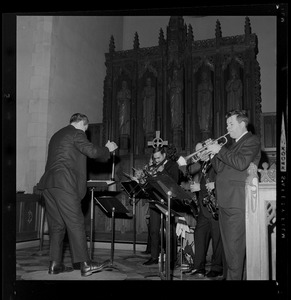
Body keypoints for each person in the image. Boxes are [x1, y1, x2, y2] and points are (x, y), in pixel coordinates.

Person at [37, 113, 118, 277]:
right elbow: (92, 152)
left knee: (57, 226)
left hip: (48, 185)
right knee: (76, 223)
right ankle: (86, 264)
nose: (85, 131)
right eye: (86, 128)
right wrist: (107, 149)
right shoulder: (77, 132)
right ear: (83, 124)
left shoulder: (57, 135)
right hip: (64, 185)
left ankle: (55, 264)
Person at [207, 109, 261, 280]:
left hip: (236, 202)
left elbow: (241, 163)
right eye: (227, 124)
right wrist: (212, 154)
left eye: (231, 124)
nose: (227, 127)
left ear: (242, 124)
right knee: (229, 253)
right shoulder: (231, 145)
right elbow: (220, 169)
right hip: (225, 202)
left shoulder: (251, 140)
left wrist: (220, 150)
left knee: (235, 255)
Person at [187, 142, 224, 279]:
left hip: (215, 208)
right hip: (204, 209)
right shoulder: (204, 165)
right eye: (196, 152)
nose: (197, 155)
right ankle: (198, 267)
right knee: (199, 236)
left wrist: (200, 188)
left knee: (217, 240)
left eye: (200, 151)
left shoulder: (216, 162)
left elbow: (221, 181)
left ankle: (217, 268)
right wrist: (199, 187)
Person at [143, 145, 181, 269]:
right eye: (154, 158)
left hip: (167, 202)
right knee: (154, 230)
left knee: (169, 232)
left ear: (164, 155)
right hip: (154, 200)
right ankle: (154, 257)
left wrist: (162, 171)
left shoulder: (172, 165)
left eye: (158, 158)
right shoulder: (154, 165)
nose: (156, 160)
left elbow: (174, 182)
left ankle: (172, 259)